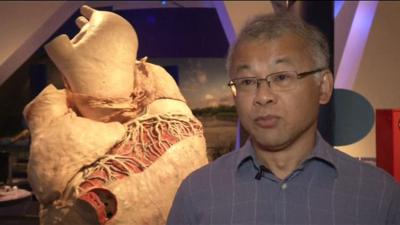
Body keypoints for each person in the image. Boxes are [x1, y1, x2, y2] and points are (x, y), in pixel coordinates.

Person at [167, 12, 400, 224]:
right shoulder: (197, 194)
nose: (263, 96)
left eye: (281, 78)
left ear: (324, 87)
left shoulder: (378, 196)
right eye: (247, 81)